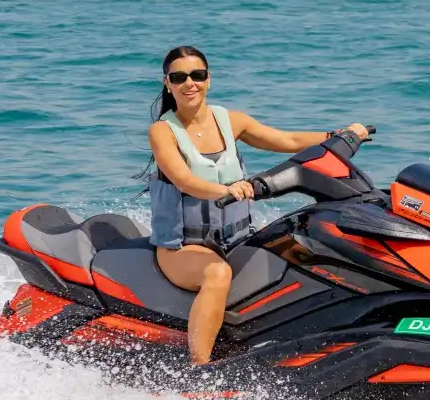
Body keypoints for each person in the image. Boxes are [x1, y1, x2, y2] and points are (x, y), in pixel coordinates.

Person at [147, 45, 369, 364]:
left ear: (208, 80)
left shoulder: (231, 121)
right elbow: (184, 181)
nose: (189, 83)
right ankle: (200, 366)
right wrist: (225, 189)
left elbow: (287, 141)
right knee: (216, 274)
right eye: (179, 77)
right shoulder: (163, 131)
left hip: (237, 238)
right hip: (183, 246)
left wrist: (340, 135)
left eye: (197, 75)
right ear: (167, 83)